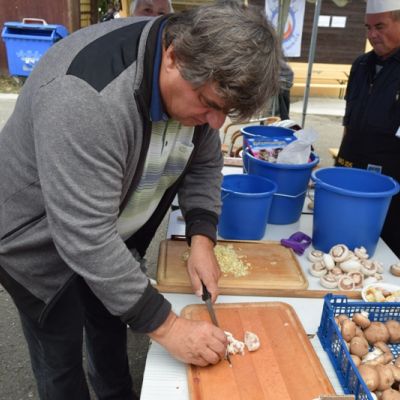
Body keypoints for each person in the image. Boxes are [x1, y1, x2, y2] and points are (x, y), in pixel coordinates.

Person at [0, 4, 280, 399]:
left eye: (225, 112)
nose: (216, 123)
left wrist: (201, 238)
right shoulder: (86, 100)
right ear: (172, 58)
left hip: (104, 227)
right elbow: (86, 238)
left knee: (110, 322)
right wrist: (169, 327)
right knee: (59, 359)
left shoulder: (191, 76)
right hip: (35, 241)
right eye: (209, 104)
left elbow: (203, 160)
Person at [336, 0, 400, 258]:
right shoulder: (361, 65)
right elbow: (348, 122)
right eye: (368, 27)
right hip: (350, 171)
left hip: (390, 187)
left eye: (380, 26)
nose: (373, 35)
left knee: (384, 254)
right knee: (341, 248)